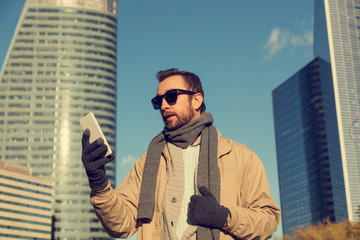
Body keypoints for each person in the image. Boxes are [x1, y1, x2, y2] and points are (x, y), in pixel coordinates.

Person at [81, 68, 280, 240]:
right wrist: (98, 181)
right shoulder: (148, 161)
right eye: (158, 101)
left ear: (196, 100)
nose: (164, 106)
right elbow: (121, 225)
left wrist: (224, 216)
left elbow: (269, 220)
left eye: (171, 96)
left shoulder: (240, 157)